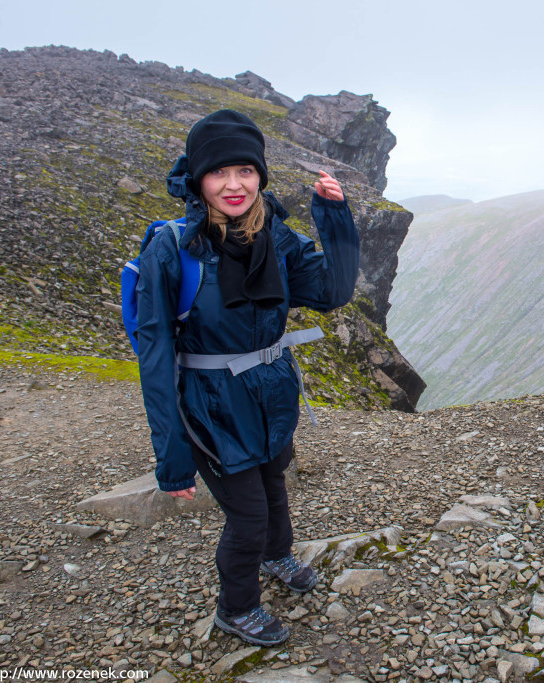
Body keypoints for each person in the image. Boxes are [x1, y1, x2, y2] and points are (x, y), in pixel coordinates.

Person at [134, 109, 360, 646]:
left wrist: (334, 218)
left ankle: (277, 557)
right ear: (198, 179)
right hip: (210, 407)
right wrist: (172, 458)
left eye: (246, 171)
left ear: (260, 175)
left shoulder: (275, 235)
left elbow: (332, 293)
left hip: (268, 393)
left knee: (274, 486)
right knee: (249, 513)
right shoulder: (172, 247)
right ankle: (235, 608)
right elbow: (155, 356)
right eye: (218, 173)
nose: (234, 185)